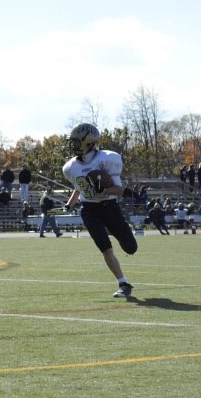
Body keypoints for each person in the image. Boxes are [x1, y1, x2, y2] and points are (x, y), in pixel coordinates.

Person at [62, 123, 138, 298]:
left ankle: (113, 229)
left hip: (109, 207)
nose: (72, 145)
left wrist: (103, 190)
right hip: (89, 209)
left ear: (88, 142)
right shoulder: (70, 167)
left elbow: (119, 190)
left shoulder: (106, 159)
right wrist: (69, 204)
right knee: (105, 247)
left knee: (131, 248)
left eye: (75, 141)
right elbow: (79, 187)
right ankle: (123, 283)